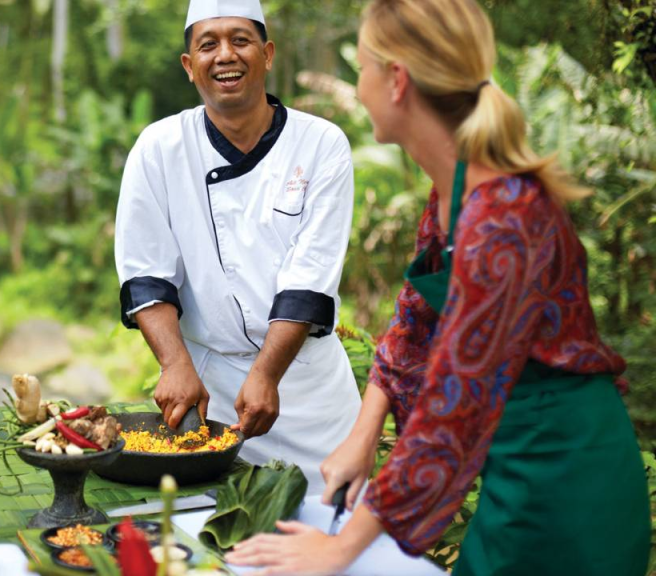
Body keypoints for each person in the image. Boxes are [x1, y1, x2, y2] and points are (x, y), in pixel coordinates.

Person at [226, 0, 651, 573]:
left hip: (567, 476)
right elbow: (414, 320)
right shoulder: (452, 190)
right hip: (511, 457)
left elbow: (456, 408)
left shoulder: (504, 219)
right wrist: (363, 432)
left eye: (365, 66)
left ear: (397, 80)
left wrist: (338, 549)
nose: (360, 82)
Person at [114, 0, 361, 495]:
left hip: (311, 393)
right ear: (189, 65)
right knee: (215, 541)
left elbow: (309, 277)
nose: (225, 54)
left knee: (334, 533)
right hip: (212, 395)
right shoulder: (159, 147)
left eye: (240, 40)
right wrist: (174, 363)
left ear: (267, 54)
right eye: (208, 44)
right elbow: (146, 271)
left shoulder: (322, 144)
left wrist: (268, 373)